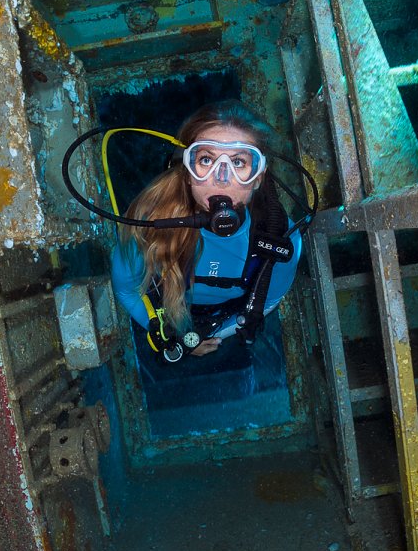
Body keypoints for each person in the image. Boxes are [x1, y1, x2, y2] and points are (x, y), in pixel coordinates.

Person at [110, 100, 302, 366]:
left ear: (258, 177)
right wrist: (166, 333)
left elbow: (269, 298)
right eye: (206, 159)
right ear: (188, 172)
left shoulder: (281, 237)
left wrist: (215, 335)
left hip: (225, 320)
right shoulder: (149, 224)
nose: (221, 177)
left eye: (238, 162)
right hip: (166, 310)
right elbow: (127, 290)